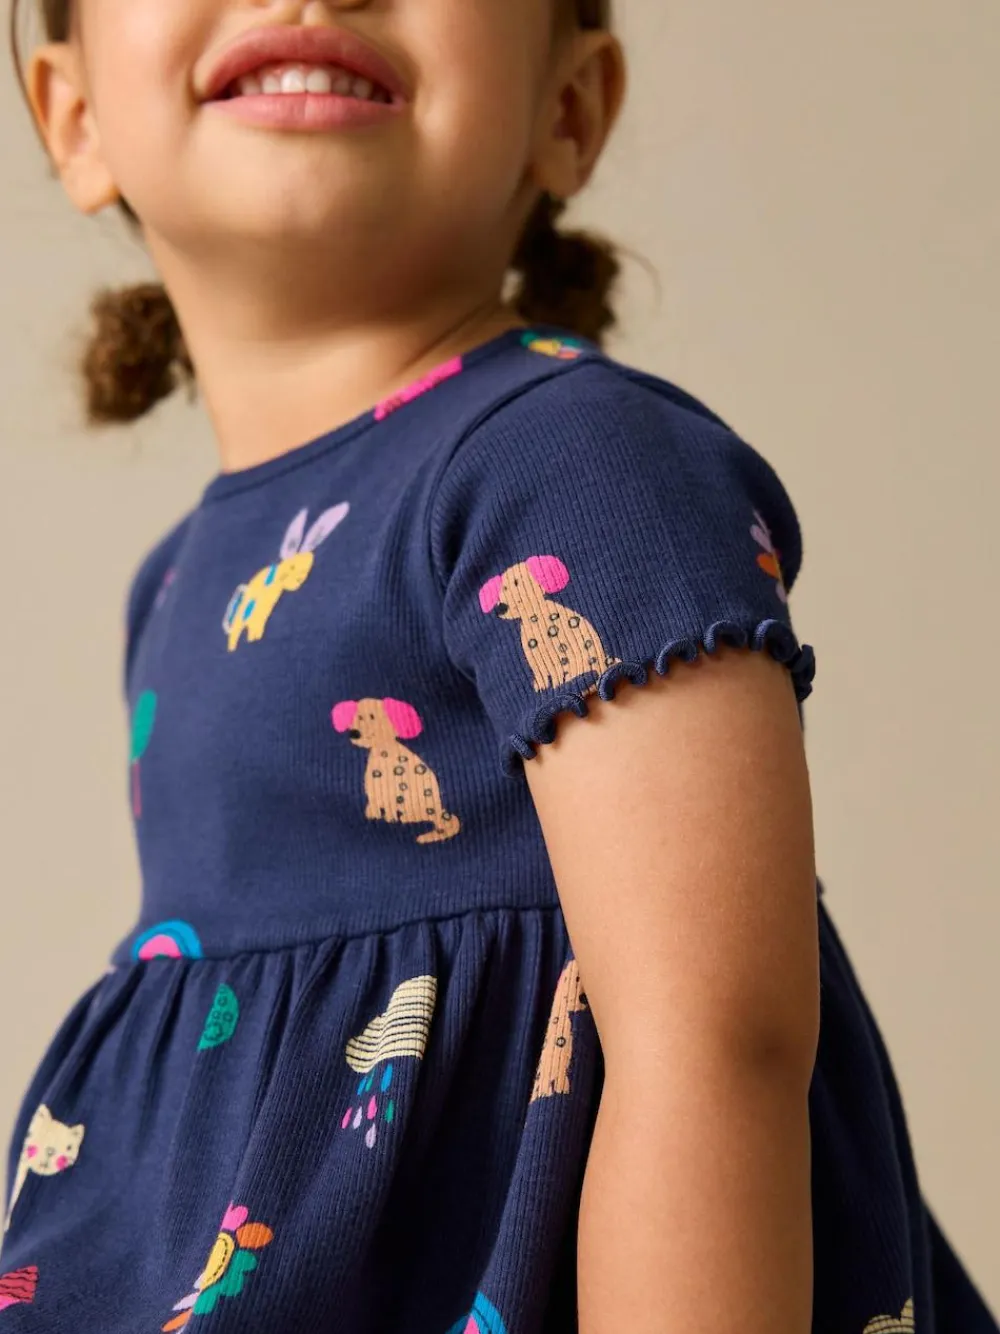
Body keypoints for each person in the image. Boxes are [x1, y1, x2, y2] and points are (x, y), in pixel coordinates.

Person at [1, 0, 995, 1330]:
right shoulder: (176, 584)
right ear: (73, 119)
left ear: (565, 110)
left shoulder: (575, 465)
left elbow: (715, 1043)